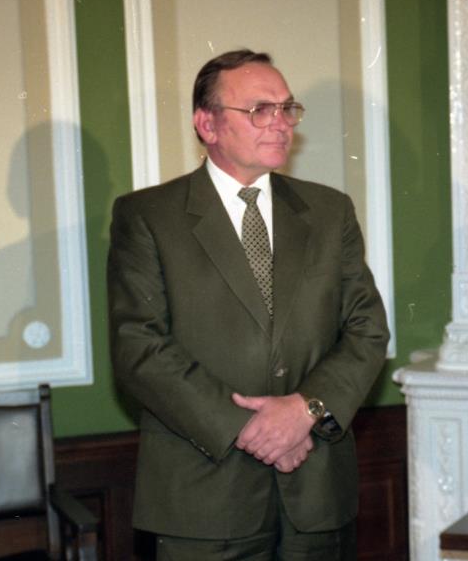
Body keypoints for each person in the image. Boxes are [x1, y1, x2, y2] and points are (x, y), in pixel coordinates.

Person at [108, 48, 389, 560]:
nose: (281, 123)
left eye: (287, 108)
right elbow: (140, 349)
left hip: (317, 497)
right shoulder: (148, 216)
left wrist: (304, 409)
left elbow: (367, 330)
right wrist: (255, 430)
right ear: (207, 124)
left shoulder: (329, 211)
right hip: (204, 501)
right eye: (260, 109)